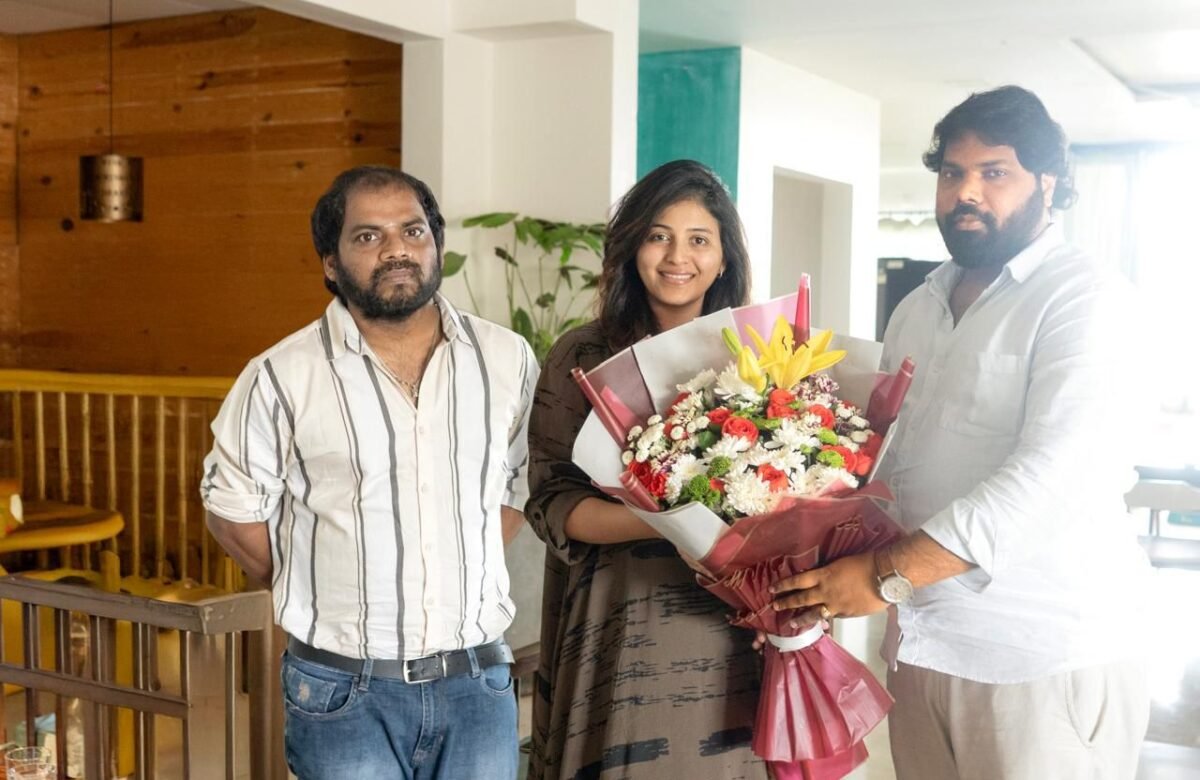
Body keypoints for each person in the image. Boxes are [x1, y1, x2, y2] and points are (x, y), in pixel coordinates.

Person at [770, 85, 1151, 780]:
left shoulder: (1085, 298)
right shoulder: (918, 308)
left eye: (993, 172)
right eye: (952, 173)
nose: (966, 192)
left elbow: (1054, 479)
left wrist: (883, 575)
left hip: (1038, 657)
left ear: (1048, 182)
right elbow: (892, 465)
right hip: (921, 647)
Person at [200, 165, 539, 780]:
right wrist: (320, 579)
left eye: (413, 231)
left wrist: (455, 562)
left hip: (477, 684)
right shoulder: (281, 376)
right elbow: (233, 513)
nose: (396, 250)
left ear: (436, 243)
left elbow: (516, 487)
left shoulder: (506, 358)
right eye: (368, 236)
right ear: (331, 263)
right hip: (341, 691)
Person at [524, 159, 769, 779]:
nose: (677, 256)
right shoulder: (581, 355)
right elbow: (551, 502)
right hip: (616, 617)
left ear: (724, 257)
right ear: (633, 247)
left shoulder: (758, 359)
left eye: (698, 239)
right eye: (659, 236)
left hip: (731, 623)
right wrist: (672, 519)